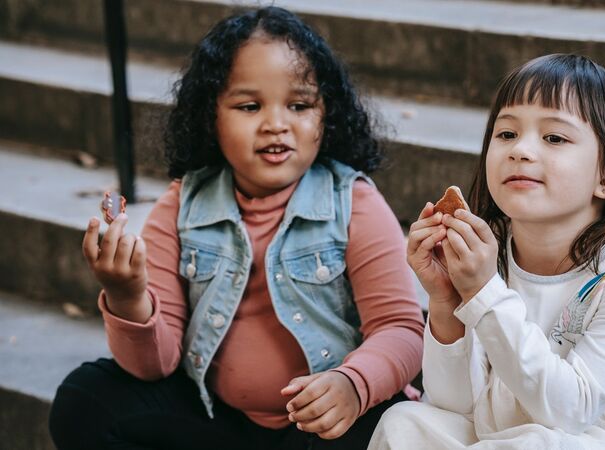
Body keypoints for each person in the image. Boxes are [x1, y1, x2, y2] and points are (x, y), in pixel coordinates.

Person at [49, 6, 424, 450]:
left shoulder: (354, 202)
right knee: (84, 400)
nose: (276, 124)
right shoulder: (182, 204)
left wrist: (353, 384)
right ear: (211, 117)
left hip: (323, 425)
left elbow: (401, 329)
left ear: (328, 115)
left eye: (300, 105)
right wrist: (127, 297)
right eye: (249, 106)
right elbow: (155, 366)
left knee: (389, 425)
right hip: (217, 418)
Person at [370, 54, 605, 449]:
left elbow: (571, 411)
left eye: (554, 138)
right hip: (508, 432)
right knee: (404, 423)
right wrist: (446, 299)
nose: (520, 150)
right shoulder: (490, 252)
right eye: (506, 134)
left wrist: (485, 293)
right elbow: (453, 405)